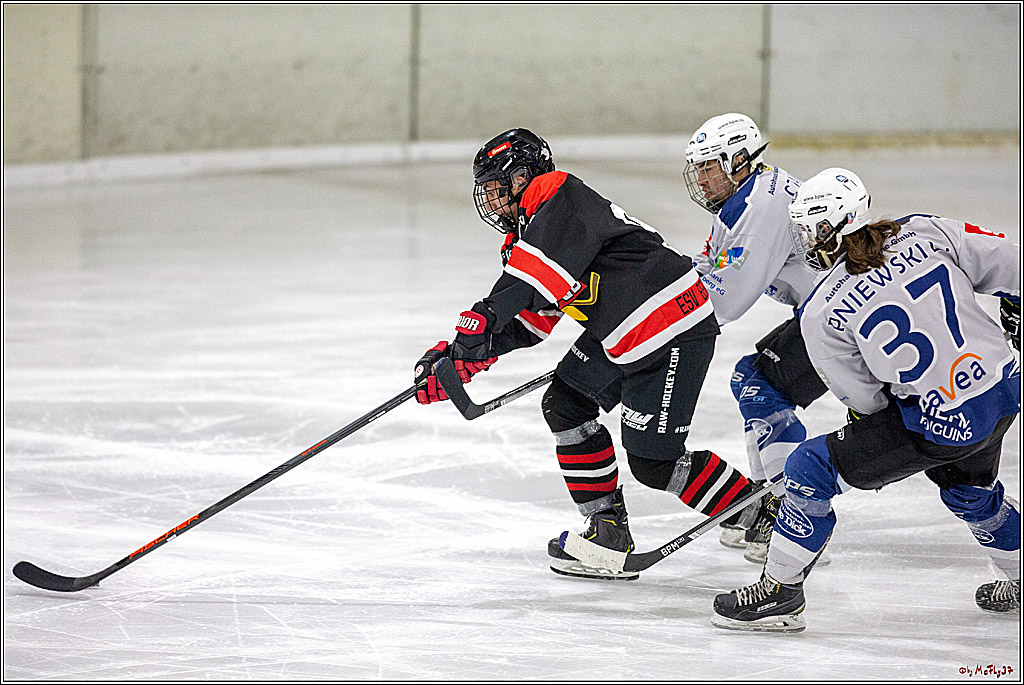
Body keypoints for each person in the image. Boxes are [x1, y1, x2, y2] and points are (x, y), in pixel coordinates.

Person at [413, 128, 763, 581]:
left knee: (655, 462)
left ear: (524, 178)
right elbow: (532, 319)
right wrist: (464, 361)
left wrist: (475, 329)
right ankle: (607, 529)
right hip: (622, 334)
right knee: (565, 403)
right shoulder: (532, 235)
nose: (494, 203)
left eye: (499, 190)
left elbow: (530, 280)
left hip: (670, 329)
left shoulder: (557, 194)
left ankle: (759, 515)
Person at [712, 168, 1021, 632]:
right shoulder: (924, 230)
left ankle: (780, 589)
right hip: (1004, 389)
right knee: (968, 488)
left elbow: (868, 404)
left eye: (806, 229)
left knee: (809, 467)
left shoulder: (821, 309)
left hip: (947, 419)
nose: (802, 241)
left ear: (826, 229)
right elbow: (1011, 261)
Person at [683, 113, 831, 563]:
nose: (702, 179)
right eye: (699, 169)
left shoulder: (760, 208)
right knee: (755, 383)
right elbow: (711, 265)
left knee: (758, 385)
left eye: (710, 167)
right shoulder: (745, 196)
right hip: (826, 309)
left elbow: (725, 301)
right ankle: (777, 507)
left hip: (841, 317)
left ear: (740, 160)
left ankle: (795, 518)